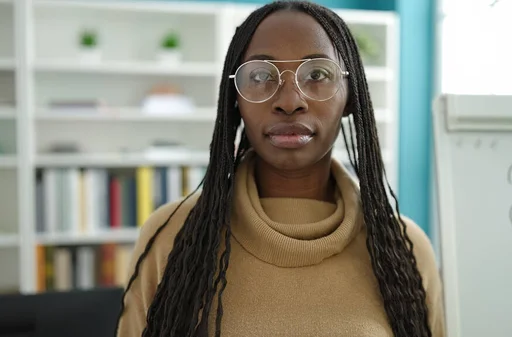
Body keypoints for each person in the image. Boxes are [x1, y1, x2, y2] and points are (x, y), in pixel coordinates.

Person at [116, 1, 445, 336]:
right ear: (235, 98)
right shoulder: (173, 237)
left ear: (350, 96)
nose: (289, 101)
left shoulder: (406, 250)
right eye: (260, 75)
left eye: (317, 75)